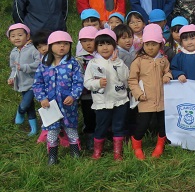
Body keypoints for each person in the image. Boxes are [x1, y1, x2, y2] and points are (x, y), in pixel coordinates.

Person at [33, 31, 83, 165]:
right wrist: (42, 98)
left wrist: (73, 96)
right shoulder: (44, 64)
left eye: (66, 44)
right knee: (52, 130)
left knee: (71, 128)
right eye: (58, 44)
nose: (62, 47)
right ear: (50, 46)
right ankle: (52, 156)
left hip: (68, 105)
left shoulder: (73, 63)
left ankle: (75, 152)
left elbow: (78, 82)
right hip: (50, 106)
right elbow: (38, 83)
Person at [84, 29, 130, 161]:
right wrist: (97, 83)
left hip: (119, 100)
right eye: (101, 45)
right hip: (102, 102)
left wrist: (117, 63)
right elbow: (87, 82)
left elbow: (125, 77)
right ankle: (98, 151)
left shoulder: (118, 61)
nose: (105, 48)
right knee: (101, 126)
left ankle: (118, 152)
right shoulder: (93, 63)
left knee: (119, 126)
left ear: (114, 46)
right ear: (96, 47)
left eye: (108, 44)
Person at [128, 24, 172, 160]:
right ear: (143, 45)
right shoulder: (139, 61)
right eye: (147, 44)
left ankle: (160, 145)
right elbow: (132, 80)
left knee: (162, 124)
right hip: (145, 99)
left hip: (162, 99)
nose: (150, 47)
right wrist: (138, 94)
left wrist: (167, 76)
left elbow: (168, 71)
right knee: (142, 124)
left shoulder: (163, 60)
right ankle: (136, 145)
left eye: (154, 44)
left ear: (160, 45)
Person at [7, 23, 40, 136]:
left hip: (33, 83)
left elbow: (38, 64)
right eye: (13, 36)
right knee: (30, 106)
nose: (16, 38)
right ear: (9, 38)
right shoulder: (14, 52)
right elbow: (13, 68)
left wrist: (25, 67)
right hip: (21, 83)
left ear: (28, 36)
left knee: (25, 104)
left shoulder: (33, 49)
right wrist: (11, 78)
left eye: (20, 35)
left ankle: (20, 111)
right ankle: (34, 129)